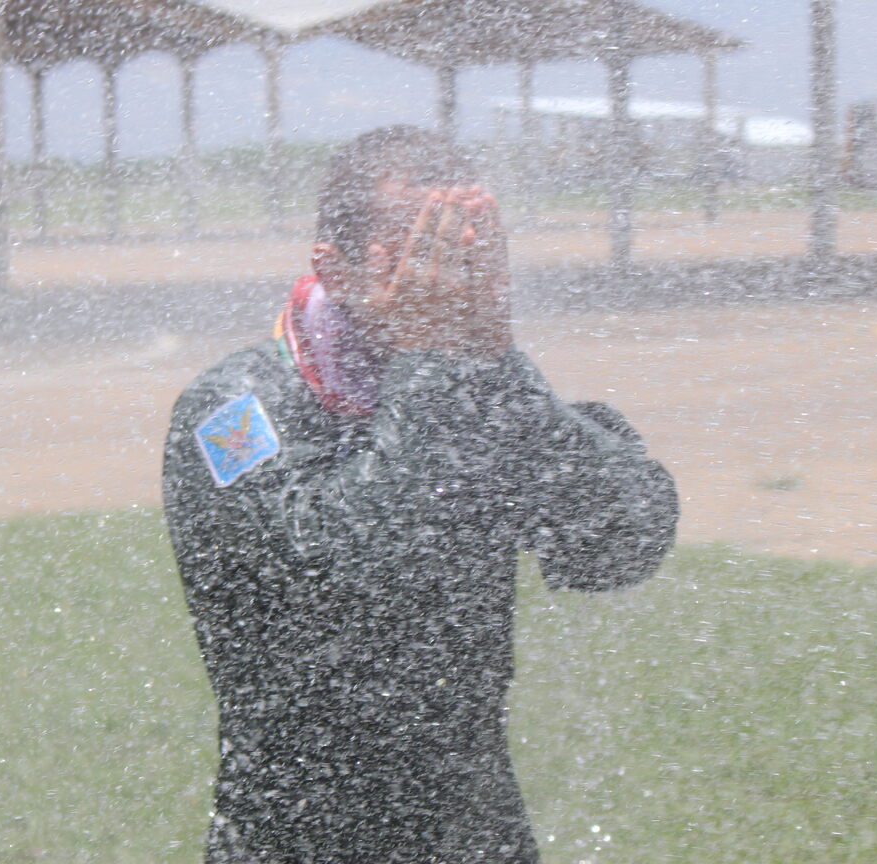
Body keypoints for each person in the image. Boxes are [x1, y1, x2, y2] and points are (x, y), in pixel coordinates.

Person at [162, 126, 678, 863]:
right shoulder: (238, 407)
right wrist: (439, 359)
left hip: (475, 831)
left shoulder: (474, 384)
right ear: (333, 271)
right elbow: (341, 570)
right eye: (419, 251)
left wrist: (497, 362)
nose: (449, 279)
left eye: (469, 249)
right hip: (299, 832)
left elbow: (621, 542)